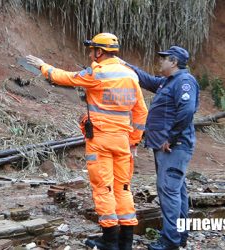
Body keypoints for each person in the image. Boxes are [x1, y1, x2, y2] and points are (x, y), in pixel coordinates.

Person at [27, 32, 148, 250]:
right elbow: (141, 112)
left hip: (101, 140)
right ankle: (125, 242)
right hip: (122, 142)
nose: (91, 54)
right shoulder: (131, 75)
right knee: (123, 188)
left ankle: (110, 241)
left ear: (99, 52)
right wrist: (134, 141)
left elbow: (65, 77)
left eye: (92, 50)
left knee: (103, 189)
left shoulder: (97, 73)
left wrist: (43, 66)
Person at [124, 46, 199, 250]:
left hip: (174, 147)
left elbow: (187, 110)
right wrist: (124, 64)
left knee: (169, 192)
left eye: (164, 58)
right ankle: (178, 235)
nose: (160, 61)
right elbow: (147, 80)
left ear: (174, 62)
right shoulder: (168, 81)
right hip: (169, 147)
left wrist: (171, 138)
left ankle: (170, 241)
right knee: (177, 191)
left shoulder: (184, 82)